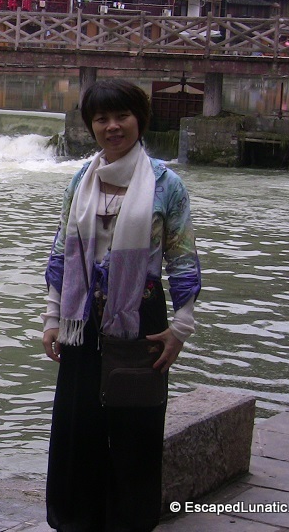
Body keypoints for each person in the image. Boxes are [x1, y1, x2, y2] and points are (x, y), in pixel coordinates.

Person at [41, 79, 201, 531]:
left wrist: (180, 329)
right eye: (101, 118)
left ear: (139, 120)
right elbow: (61, 252)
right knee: (78, 425)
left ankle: (129, 521)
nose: (113, 127)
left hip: (140, 317)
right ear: (91, 126)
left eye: (121, 116)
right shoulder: (81, 179)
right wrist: (53, 317)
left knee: (136, 427)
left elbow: (183, 258)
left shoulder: (166, 185)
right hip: (80, 320)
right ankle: (76, 520)